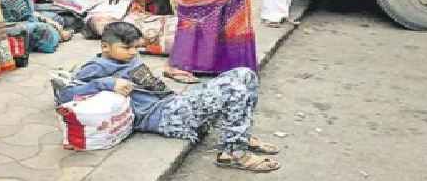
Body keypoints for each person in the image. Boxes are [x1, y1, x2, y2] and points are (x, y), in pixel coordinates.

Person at [56, 22, 280, 173]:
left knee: (244, 74)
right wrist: (107, 83)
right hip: (161, 116)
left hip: (172, 103)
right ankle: (234, 152)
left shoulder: (125, 58)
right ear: (105, 46)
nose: (134, 52)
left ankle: (238, 133)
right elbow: (66, 93)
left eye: (136, 47)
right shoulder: (98, 66)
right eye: (127, 48)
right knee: (235, 90)